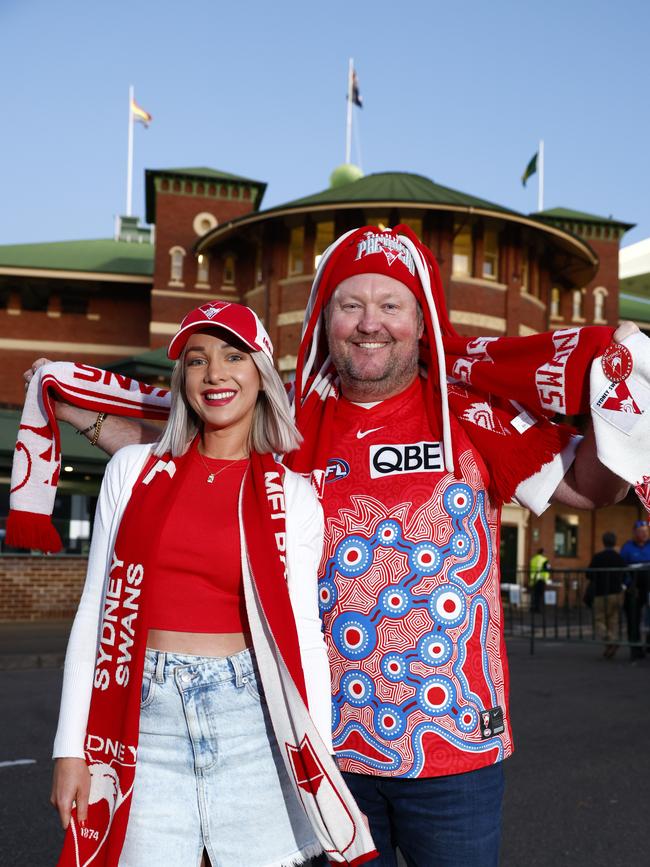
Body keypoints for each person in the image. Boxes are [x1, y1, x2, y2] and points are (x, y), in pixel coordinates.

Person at [25, 226, 634, 867]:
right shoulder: (292, 423)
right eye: (351, 305)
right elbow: (190, 468)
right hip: (320, 753)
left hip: (458, 755)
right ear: (325, 319)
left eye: (390, 305)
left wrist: (623, 392)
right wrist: (91, 419)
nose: (371, 323)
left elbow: (589, 488)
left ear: (422, 321)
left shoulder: (470, 411)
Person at [45, 301, 376, 866]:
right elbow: (96, 613)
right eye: (196, 361)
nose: (214, 373)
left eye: (233, 356)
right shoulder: (133, 471)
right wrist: (70, 749)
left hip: (254, 718)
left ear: (261, 373)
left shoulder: (293, 496)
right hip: (138, 717)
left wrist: (319, 759)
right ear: (183, 380)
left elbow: (302, 632)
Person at [585, 532, 626, 657]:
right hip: (616, 593)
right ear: (614, 542)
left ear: (603, 542)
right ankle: (610, 647)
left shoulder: (598, 557)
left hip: (601, 592)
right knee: (612, 620)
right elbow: (624, 574)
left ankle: (611, 640)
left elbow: (589, 574)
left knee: (599, 620)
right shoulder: (619, 557)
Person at [620, 519, 650, 661]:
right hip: (634, 589)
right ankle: (635, 649)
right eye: (641, 531)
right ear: (634, 532)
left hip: (649, 588)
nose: (644, 534)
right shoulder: (627, 548)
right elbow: (621, 569)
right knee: (633, 618)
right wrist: (628, 584)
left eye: (646, 531)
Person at [529, 548, 551, 613]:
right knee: (540, 595)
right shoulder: (545, 560)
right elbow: (546, 571)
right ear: (543, 553)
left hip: (533, 579)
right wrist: (546, 579)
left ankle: (533, 608)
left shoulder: (533, 559)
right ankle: (539, 609)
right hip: (541, 579)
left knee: (534, 595)